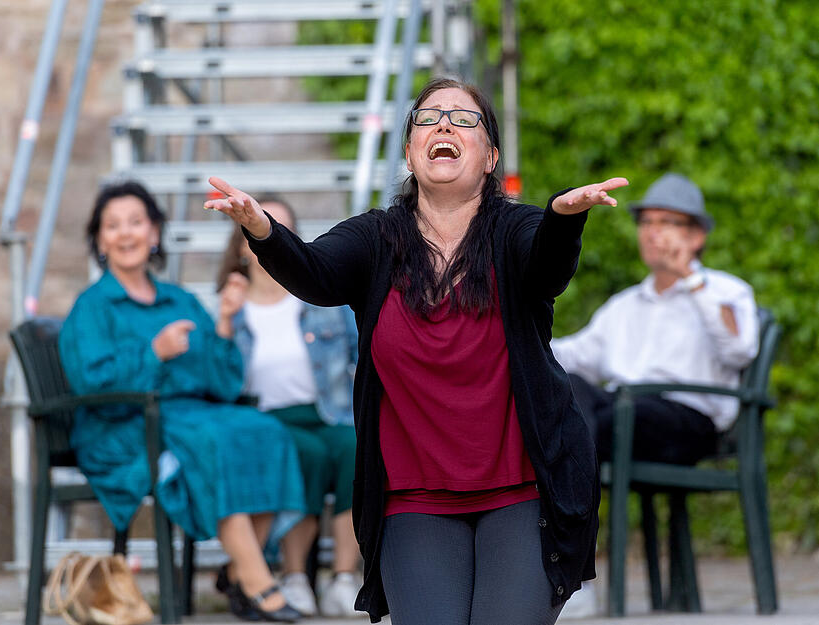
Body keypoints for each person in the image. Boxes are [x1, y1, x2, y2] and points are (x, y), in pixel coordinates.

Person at [204, 76, 628, 625]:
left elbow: (546, 266)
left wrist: (564, 221)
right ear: (409, 151)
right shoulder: (376, 239)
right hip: (414, 496)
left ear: (491, 156)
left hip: (524, 490)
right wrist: (262, 229)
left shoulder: (516, 229)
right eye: (428, 119)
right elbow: (316, 275)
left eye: (463, 119)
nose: (444, 125)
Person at [58, 180, 306, 623]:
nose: (126, 233)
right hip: (125, 429)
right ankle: (259, 582)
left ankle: (238, 570)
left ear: (154, 233)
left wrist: (226, 323)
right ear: (100, 240)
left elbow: (223, 384)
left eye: (137, 222)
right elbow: (89, 385)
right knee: (209, 442)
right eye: (113, 226)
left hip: (187, 417)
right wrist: (152, 353)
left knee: (265, 431)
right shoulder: (92, 307)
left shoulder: (180, 300)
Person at [550, 172, 759, 618]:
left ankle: (573, 579)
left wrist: (690, 279)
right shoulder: (625, 305)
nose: (654, 233)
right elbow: (571, 355)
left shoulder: (725, 291)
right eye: (647, 222)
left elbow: (741, 348)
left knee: (579, 429)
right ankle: (571, 574)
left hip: (687, 424)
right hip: (618, 416)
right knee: (563, 396)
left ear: (697, 235)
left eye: (668, 223)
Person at [216, 197, 362, 618]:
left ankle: (343, 578)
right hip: (267, 421)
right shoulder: (234, 306)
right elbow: (222, 382)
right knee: (308, 455)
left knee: (356, 448)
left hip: (329, 413)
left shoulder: (321, 298)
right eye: (258, 224)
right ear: (243, 242)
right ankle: (295, 576)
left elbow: (365, 353)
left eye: (281, 226)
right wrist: (224, 323)